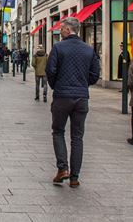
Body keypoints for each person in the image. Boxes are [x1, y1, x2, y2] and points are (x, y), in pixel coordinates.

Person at [46, 17, 100, 189]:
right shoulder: (88, 50)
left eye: (62, 29)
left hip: (62, 96)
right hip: (81, 98)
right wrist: (83, 85)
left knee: (58, 131)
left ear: (68, 30)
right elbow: (94, 74)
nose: (60, 31)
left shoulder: (58, 48)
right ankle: (75, 177)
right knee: (77, 137)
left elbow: (50, 70)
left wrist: (57, 86)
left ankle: (63, 169)